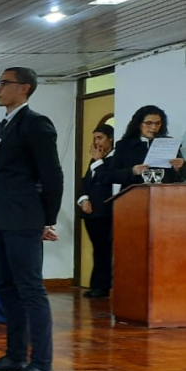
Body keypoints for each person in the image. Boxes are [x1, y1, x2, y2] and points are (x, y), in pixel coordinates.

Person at [0, 67, 64, 371]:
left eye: (3, 83)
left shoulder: (36, 124)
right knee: (8, 289)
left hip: (24, 219)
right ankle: (15, 356)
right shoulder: (5, 125)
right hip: (1, 218)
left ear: (23, 88)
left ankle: (42, 365)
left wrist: (47, 218)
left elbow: (52, 175)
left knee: (31, 290)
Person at [103, 105, 185, 186]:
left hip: (164, 194)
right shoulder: (124, 145)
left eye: (158, 123)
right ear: (139, 124)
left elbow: (180, 178)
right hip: (134, 195)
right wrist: (132, 171)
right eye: (149, 123)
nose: (153, 127)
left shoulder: (169, 143)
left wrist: (180, 167)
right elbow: (110, 176)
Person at [78, 124, 115, 298]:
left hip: (106, 211)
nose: (96, 142)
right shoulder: (95, 159)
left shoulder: (114, 159)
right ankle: (97, 285)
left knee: (104, 248)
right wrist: (83, 198)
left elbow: (107, 179)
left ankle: (101, 286)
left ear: (110, 139)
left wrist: (99, 160)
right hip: (91, 212)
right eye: (94, 138)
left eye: (100, 138)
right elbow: (86, 182)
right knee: (97, 248)